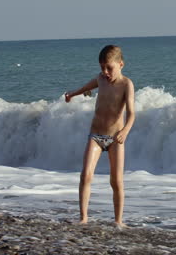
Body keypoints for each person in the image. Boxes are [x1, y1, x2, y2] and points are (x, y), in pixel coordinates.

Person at [65, 45, 135, 227]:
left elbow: (132, 113)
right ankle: (83, 217)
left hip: (115, 139)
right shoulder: (100, 79)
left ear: (121, 64)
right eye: (102, 67)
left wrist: (125, 131)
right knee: (86, 175)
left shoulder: (126, 84)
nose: (105, 72)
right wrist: (72, 94)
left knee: (116, 180)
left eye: (109, 68)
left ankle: (118, 221)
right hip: (95, 136)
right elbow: (86, 87)